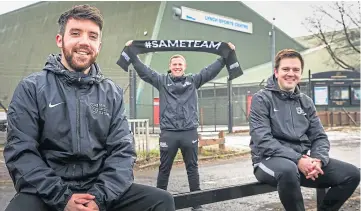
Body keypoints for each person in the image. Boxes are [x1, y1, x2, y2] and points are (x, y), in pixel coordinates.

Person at [4, 5, 175, 211]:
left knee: (161, 200)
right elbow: (21, 152)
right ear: (60, 40)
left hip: (99, 192)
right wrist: (63, 199)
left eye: (92, 36)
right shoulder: (31, 88)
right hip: (49, 194)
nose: (84, 41)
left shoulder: (112, 93)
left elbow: (122, 152)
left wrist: (98, 198)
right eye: (75, 33)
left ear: (99, 45)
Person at [125, 40, 235, 211]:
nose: (177, 66)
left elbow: (210, 71)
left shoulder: (193, 81)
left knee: (192, 168)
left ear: (184, 66)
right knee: (164, 169)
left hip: (189, 132)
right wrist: (132, 53)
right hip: (168, 133)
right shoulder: (161, 81)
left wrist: (224, 56)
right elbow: (144, 72)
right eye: (174, 64)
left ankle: (196, 204)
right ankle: (158, 202)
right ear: (170, 66)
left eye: (180, 64)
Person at [249, 49, 360, 211]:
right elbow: (263, 140)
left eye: (296, 70)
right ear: (276, 72)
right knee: (288, 170)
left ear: (300, 73)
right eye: (285, 69)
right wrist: (298, 159)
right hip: (267, 161)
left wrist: (317, 160)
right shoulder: (262, 99)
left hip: (301, 163)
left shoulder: (305, 101)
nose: (291, 74)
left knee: (352, 174)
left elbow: (319, 137)